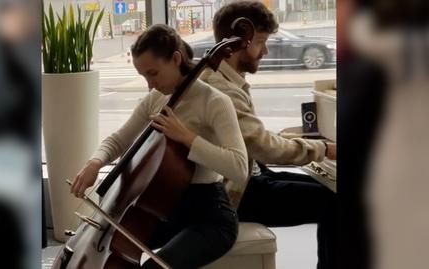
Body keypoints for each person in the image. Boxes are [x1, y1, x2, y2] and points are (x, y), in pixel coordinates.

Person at [70, 24, 248, 269]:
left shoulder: (215, 102)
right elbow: (119, 139)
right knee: (111, 242)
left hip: (210, 216)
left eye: (153, 73)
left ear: (176, 59)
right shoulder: (156, 98)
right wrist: (95, 161)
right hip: (167, 209)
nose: (149, 85)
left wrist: (187, 137)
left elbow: (239, 168)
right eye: (144, 76)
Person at [199, 1, 336, 269]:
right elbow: (263, 147)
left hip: (251, 176)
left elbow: (251, 138)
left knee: (329, 190)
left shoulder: (224, 78)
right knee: (334, 204)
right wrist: (324, 149)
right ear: (237, 43)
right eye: (260, 42)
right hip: (236, 194)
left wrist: (301, 143)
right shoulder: (220, 88)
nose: (265, 50)